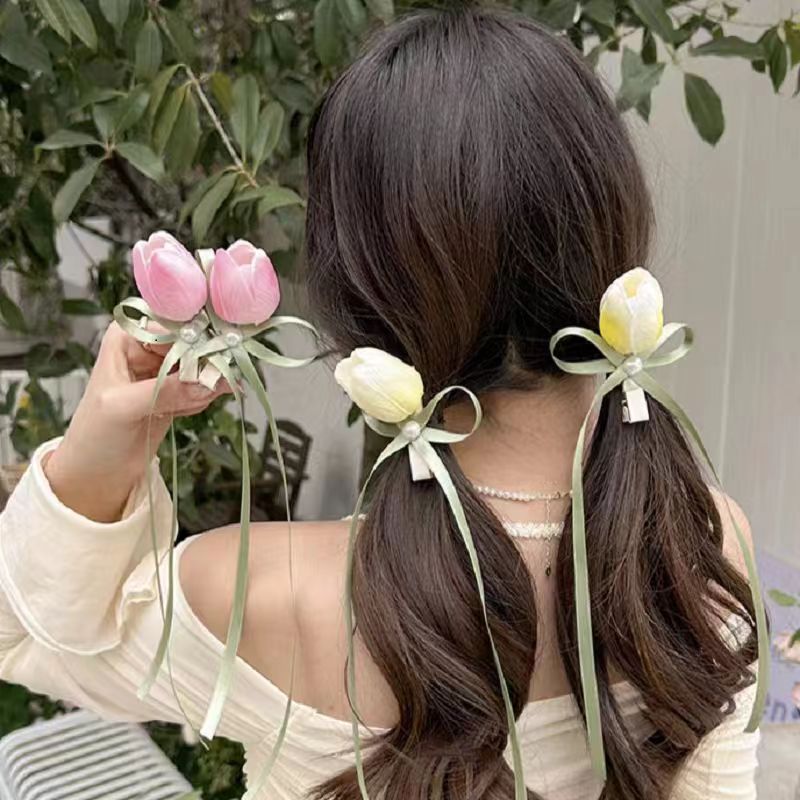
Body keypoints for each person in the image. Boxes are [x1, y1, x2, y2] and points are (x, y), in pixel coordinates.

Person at [0, 6, 760, 800]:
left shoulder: (270, 594)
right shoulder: (707, 553)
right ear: (616, 233)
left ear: (356, 294)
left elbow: (19, 634)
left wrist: (94, 457)